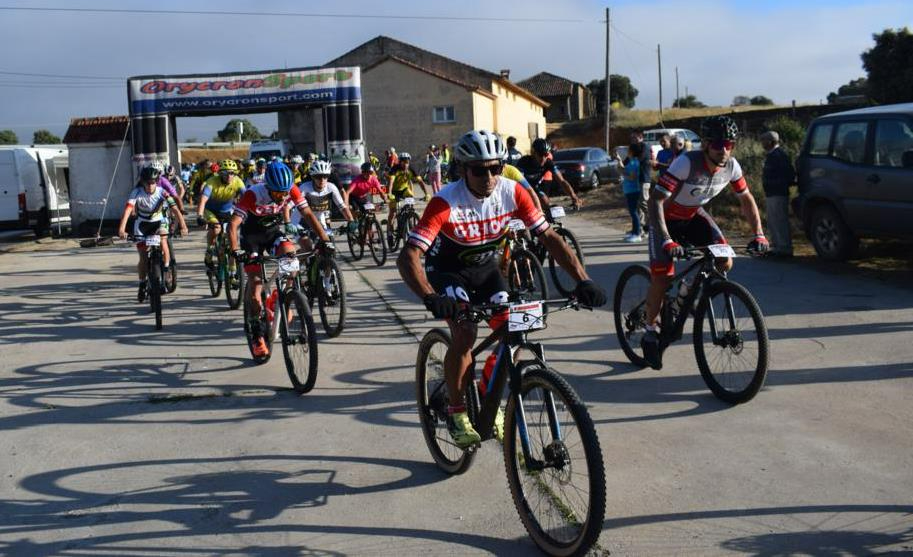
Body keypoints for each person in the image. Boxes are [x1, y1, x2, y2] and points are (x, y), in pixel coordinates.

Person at [396, 129, 607, 448]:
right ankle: (456, 411)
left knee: (514, 327)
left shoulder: (513, 192)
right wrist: (430, 297)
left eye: (495, 168)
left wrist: (583, 279)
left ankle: (487, 394)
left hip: (486, 270)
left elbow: (550, 238)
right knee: (465, 333)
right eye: (480, 170)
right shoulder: (445, 201)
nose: (489, 177)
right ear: (463, 169)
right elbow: (409, 256)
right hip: (448, 272)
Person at [640, 115, 769, 369]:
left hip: (692, 215)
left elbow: (746, 199)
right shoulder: (686, 163)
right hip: (664, 219)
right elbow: (655, 200)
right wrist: (666, 239)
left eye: (729, 144)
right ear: (706, 144)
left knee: (725, 261)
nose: (724, 150)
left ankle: (685, 294)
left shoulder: (732, 166)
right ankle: (649, 330)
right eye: (719, 144)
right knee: (662, 277)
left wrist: (759, 234)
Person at [229, 161, 330, 358]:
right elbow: (233, 225)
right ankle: (257, 334)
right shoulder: (253, 194)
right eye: (278, 193)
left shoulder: (290, 189)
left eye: (286, 192)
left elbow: (308, 214)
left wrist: (325, 240)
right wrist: (235, 250)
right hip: (251, 238)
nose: (283, 196)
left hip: (272, 233)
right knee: (256, 283)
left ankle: (282, 296)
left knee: (291, 256)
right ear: (268, 187)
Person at [117, 165, 188, 302]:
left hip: (159, 222)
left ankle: (166, 270)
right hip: (142, 224)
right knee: (143, 257)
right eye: (147, 183)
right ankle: (142, 283)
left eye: (153, 182)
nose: (150, 186)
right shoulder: (136, 192)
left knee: (163, 241)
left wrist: (183, 226)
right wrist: (122, 229)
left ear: (157, 182)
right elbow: (127, 211)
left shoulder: (162, 192)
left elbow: (175, 210)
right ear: (142, 182)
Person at [196, 159, 246, 268]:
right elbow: (203, 200)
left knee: (233, 239)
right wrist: (199, 216)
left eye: (232, 173)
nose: (229, 176)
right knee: (216, 228)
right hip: (211, 211)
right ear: (220, 173)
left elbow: (247, 198)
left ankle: (232, 271)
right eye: (226, 173)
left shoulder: (238, 181)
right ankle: (209, 249)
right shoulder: (212, 182)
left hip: (227, 211)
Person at [293, 159, 357, 244]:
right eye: (318, 177)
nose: (322, 180)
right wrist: (289, 224)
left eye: (325, 176)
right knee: (307, 246)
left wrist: (351, 220)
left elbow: (342, 207)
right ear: (312, 177)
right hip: (300, 220)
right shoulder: (304, 188)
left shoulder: (331, 187)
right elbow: (289, 206)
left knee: (328, 245)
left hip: (319, 219)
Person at [516, 138, 582, 210]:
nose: (543, 158)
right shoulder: (524, 162)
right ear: (533, 153)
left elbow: (562, 181)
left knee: (546, 203)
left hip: (535, 188)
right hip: (522, 189)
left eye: (546, 154)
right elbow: (517, 182)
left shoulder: (548, 162)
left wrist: (573, 196)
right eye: (541, 154)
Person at [760, 130, 795, 257]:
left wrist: (776, 185)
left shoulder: (778, 155)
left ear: (770, 141)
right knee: (773, 221)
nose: (762, 143)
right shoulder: (773, 155)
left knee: (779, 221)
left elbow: (788, 175)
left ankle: (784, 248)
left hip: (778, 193)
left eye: (764, 140)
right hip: (772, 193)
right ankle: (776, 247)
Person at [386, 152, 429, 236]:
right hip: (394, 191)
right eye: (404, 162)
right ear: (400, 162)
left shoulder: (412, 169)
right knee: (393, 212)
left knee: (410, 195)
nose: (406, 164)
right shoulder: (395, 169)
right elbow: (391, 182)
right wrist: (389, 193)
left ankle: (409, 213)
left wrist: (426, 194)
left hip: (404, 190)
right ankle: (390, 232)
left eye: (407, 162)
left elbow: (420, 182)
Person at [622, 143, 644, 242]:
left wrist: (624, 173)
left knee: (634, 212)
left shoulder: (635, 162)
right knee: (632, 212)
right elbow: (624, 172)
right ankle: (633, 232)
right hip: (628, 190)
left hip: (633, 190)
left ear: (632, 151)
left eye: (629, 149)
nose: (627, 151)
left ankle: (638, 234)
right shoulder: (630, 161)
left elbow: (633, 177)